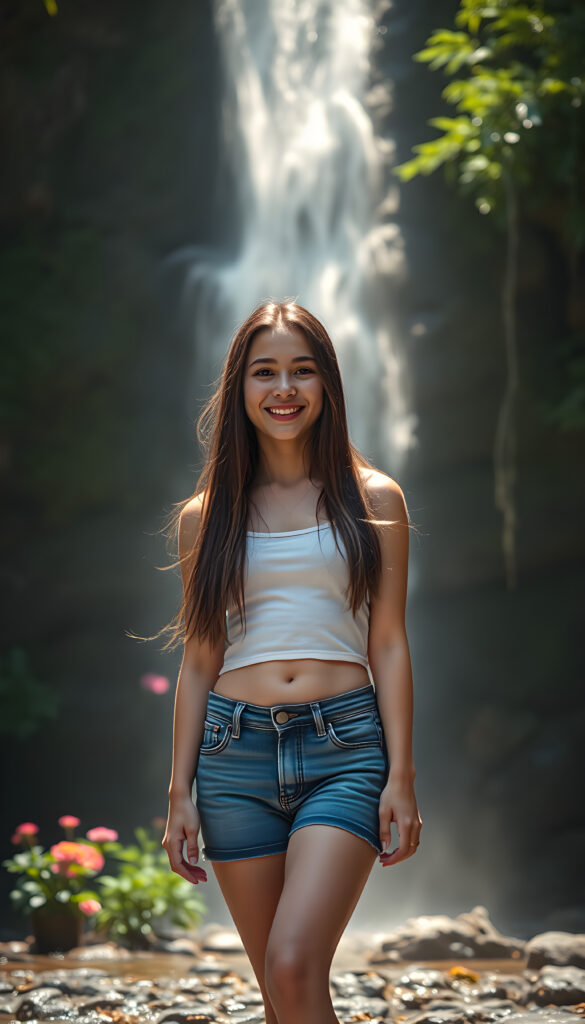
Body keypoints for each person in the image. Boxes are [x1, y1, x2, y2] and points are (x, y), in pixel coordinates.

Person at [160, 299, 422, 1024]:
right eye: (264, 372)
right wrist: (178, 791)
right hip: (232, 757)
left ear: (327, 383)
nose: (284, 389)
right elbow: (200, 657)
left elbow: (388, 641)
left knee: (292, 964)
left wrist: (401, 776)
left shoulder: (374, 499)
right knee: (280, 998)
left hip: (345, 750)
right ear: (238, 388)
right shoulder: (204, 517)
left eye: (302, 371)